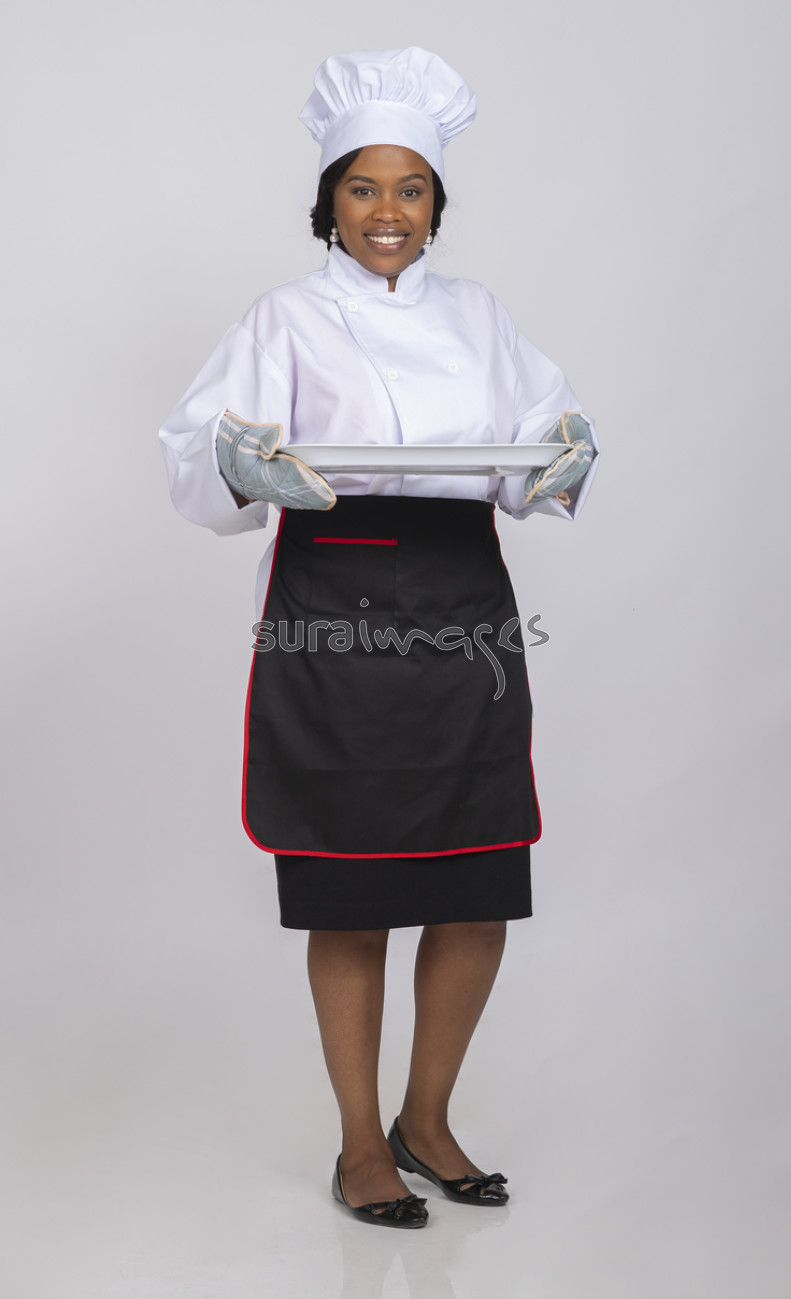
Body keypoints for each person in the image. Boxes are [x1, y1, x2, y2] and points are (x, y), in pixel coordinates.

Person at [159, 47, 598, 1230]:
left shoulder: (479, 317)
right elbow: (200, 455)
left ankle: (427, 1120)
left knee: (473, 881)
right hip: (334, 602)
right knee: (349, 894)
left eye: (410, 188)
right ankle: (360, 1143)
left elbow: (536, 440)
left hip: (461, 604)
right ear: (329, 198)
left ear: (436, 201)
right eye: (363, 187)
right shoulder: (284, 318)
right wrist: (238, 464)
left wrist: (560, 455)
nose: (387, 211)